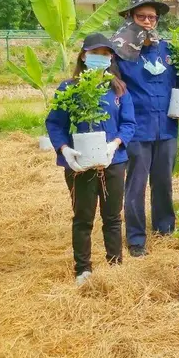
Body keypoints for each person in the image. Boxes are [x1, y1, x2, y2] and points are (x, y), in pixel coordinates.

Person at [111, 0, 179, 258]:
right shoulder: (119, 51)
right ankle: (137, 238)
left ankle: (165, 227)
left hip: (166, 128)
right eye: (141, 17)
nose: (148, 22)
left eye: (152, 17)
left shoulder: (168, 50)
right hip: (137, 128)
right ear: (130, 18)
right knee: (136, 186)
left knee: (163, 182)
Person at [45, 34, 136, 286]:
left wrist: (114, 145)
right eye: (96, 53)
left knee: (113, 217)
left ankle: (114, 264)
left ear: (111, 59)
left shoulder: (118, 89)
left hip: (113, 162)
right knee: (83, 217)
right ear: (84, 56)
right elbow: (55, 123)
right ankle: (83, 269)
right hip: (80, 164)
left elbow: (128, 123)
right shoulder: (69, 89)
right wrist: (64, 149)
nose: (101, 58)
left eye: (106, 54)